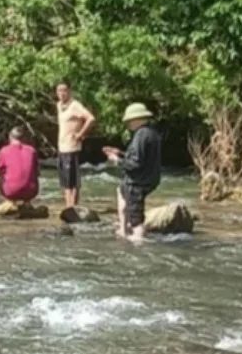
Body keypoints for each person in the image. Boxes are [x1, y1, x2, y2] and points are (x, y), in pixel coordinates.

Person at [103, 103, 162, 242]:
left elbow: (135, 163)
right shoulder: (152, 133)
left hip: (137, 181)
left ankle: (138, 239)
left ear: (137, 119)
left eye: (129, 121)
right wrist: (121, 153)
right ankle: (123, 230)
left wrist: (117, 160)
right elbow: (142, 157)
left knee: (136, 216)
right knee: (121, 192)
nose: (128, 124)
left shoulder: (141, 135)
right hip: (148, 178)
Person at [55, 80, 96, 209]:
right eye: (59, 91)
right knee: (65, 181)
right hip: (62, 147)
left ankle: (73, 206)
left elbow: (91, 118)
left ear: (69, 91)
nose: (62, 93)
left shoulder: (75, 105)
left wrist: (80, 134)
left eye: (64, 90)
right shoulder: (59, 105)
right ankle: (68, 206)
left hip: (72, 147)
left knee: (73, 180)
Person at [0, 127, 40, 205]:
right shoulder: (32, 151)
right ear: (24, 138)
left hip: (11, 192)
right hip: (31, 192)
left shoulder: (4, 151)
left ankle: (10, 201)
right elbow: (37, 173)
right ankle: (27, 203)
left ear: (10, 137)